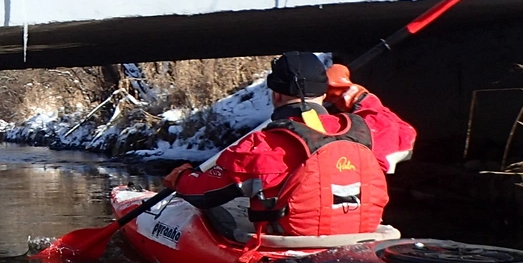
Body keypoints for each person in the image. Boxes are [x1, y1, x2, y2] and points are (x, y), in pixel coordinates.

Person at [161, 51, 417, 245]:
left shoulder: (261, 146)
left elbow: (202, 194)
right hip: (361, 241)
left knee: (222, 208)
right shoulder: (366, 131)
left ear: (276, 95)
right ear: (325, 94)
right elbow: (400, 130)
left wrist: (181, 178)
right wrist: (354, 94)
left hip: (289, 245)